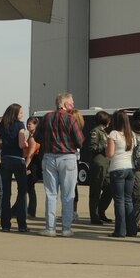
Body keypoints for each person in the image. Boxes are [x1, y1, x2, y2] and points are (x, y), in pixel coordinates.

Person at [31, 92, 83, 237]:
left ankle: (50, 228)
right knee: (68, 194)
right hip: (67, 157)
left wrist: (50, 141)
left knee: (51, 194)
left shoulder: (47, 117)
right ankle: (66, 229)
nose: (73, 104)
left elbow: (37, 136)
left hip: (49, 157)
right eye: (71, 102)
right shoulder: (71, 119)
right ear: (65, 104)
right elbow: (80, 141)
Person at [0, 103, 29, 232]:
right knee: (21, 192)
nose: (22, 114)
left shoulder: (1, 126)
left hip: (5, 160)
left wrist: (6, 145)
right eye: (21, 112)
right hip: (18, 160)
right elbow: (21, 144)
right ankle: (22, 224)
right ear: (15, 113)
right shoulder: (20, 125)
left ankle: (5, 224)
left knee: (6, 193)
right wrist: (25, 143)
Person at [105, 110, 137, 238]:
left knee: (119, 200)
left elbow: (110, 154)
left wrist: (106, 147)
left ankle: (120, 231)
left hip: (117, 168)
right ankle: (132, 230)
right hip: (130, 168)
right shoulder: (132, 135)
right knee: (128, 200)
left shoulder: (113, 134)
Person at [86, 110, 112, 225]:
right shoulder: (95, 132)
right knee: (95, 191)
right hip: (98, 164)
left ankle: (101, 212)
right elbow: (92, 147)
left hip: (107, 164)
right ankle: (94, 216)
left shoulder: (105, 133)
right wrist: (105, 145)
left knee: (109, 189)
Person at [23, 116, 40, 218]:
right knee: (28, 188)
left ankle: (31, 210)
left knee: (29, 187)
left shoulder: (33, 137)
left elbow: (31, 154)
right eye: (28, 123)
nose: (28, 125)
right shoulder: (31, 135)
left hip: (32, 164)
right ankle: (27, 209)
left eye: (30, 123)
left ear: (35, 125)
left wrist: (25, 166)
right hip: (32, 163)